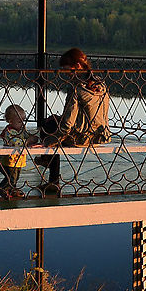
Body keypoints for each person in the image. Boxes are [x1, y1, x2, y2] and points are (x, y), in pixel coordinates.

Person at [39, 48, 111, 195]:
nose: (67, 75)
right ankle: (48, 160)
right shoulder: (100, 84)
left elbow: (67, 125)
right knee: (55, 120)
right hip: (101, 135)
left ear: (78, 66)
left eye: (68, 71)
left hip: (82, 138)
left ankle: (53, 178)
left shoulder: (77, 88)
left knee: (49, 125)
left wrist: (48, 142)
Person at [0, 104, 37, 200]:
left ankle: (12, 190)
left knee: (16, 176)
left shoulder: (21, 130)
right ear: (10, 121)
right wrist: (27, 141)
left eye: (23, 121)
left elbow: (27, 136)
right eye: (19, 121)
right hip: (9, 160)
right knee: (11, 177)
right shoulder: (9, 131)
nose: (22, 124)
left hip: (18, 160)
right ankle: (3, 188)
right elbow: (15, 142)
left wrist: (33, 138)